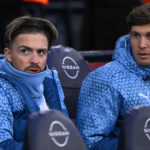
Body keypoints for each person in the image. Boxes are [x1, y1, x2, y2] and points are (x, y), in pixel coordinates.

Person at [76, 3, 150, 150]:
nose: (142, 44)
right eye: (136, 35)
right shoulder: (104, 78)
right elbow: (89, 143)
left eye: (149, 36)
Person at [0, 16, 68, 150]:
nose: (35, 60)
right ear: (8, 54)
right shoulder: (2, 88)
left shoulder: (51, 81)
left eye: (41, 52)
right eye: (25, 51)